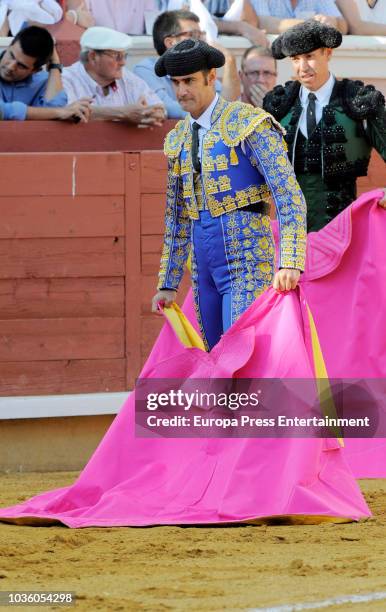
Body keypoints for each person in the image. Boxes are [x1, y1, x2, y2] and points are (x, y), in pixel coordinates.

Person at [151, 38, 307, 351]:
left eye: (190, 81)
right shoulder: (178, 138)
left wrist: (290, 259)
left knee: (240, 355)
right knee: (213, 356)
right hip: (203, 267)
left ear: (212, 78)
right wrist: (167, 283)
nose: (182, 91)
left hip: (247, 259)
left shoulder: (248, 124)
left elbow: (288, 193)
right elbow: (177, 216)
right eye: (176, 83)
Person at [263, 20, 386, 232]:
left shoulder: (358, 101)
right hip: (290, 237)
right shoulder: (278, 105)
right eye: (295, 59)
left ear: (327, 53)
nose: (303, 67)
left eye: (309, 56)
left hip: (345, 232)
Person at [133, 9, 240, 119]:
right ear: (170, 43)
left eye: (200, 35)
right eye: (193, 35)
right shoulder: (146, 68)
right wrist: (211, 113)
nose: (201, 41)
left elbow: (229, 107)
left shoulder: (201, 69)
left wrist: (229, 60)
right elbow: (165, 107)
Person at [62, 26, 166, 126]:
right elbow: (69, 111)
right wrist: (122, 113)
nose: (123, 62)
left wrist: (154, 113)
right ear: (93, 56)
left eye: (124, 56)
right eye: (117, 56)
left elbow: (159, 107)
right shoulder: (66, 78)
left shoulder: (127, 77)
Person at [0, 25, 91, 122]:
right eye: (11, 55)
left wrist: (55, 65)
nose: (10, 67)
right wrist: (58, 112)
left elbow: (55, 108)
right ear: (10, 46)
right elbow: (2, 110)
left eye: (21, 66)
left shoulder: (43, 80)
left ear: (35, 70)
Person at [249, 0, 348, 34]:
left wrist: (333, 22)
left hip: (310, 60)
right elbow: (263, 23)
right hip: (273, 61)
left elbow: (343, 26)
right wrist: (311, 25)